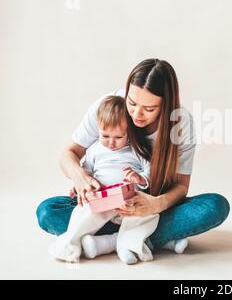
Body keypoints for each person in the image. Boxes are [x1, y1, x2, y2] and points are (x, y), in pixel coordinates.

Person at [36, 59, 230, 258]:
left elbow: (181, 186)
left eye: (149, 109)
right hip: (103, 207)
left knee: (214, 206)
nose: (137, 114)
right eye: (132, 102)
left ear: (166, 105)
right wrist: (80, 178)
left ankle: (110, 240)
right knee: (47, 211)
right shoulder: (109, 106)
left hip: (151, 209)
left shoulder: (180, 124)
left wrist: (156, 204)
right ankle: (147, 240)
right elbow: (69, 154)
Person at [49, 96, 164, 264]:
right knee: (81, 214)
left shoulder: (137, 150)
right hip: (102, 201)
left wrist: (139, 178)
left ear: (129, 132)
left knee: (149, 216)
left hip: (130, 201)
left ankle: (126, 246)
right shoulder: (95, 150)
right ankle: (70, 245)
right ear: (98, 129)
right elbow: (85, 174)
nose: (111, 143)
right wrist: (79, 186)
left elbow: (151, 173)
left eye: (118, 137)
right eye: (105, 135)